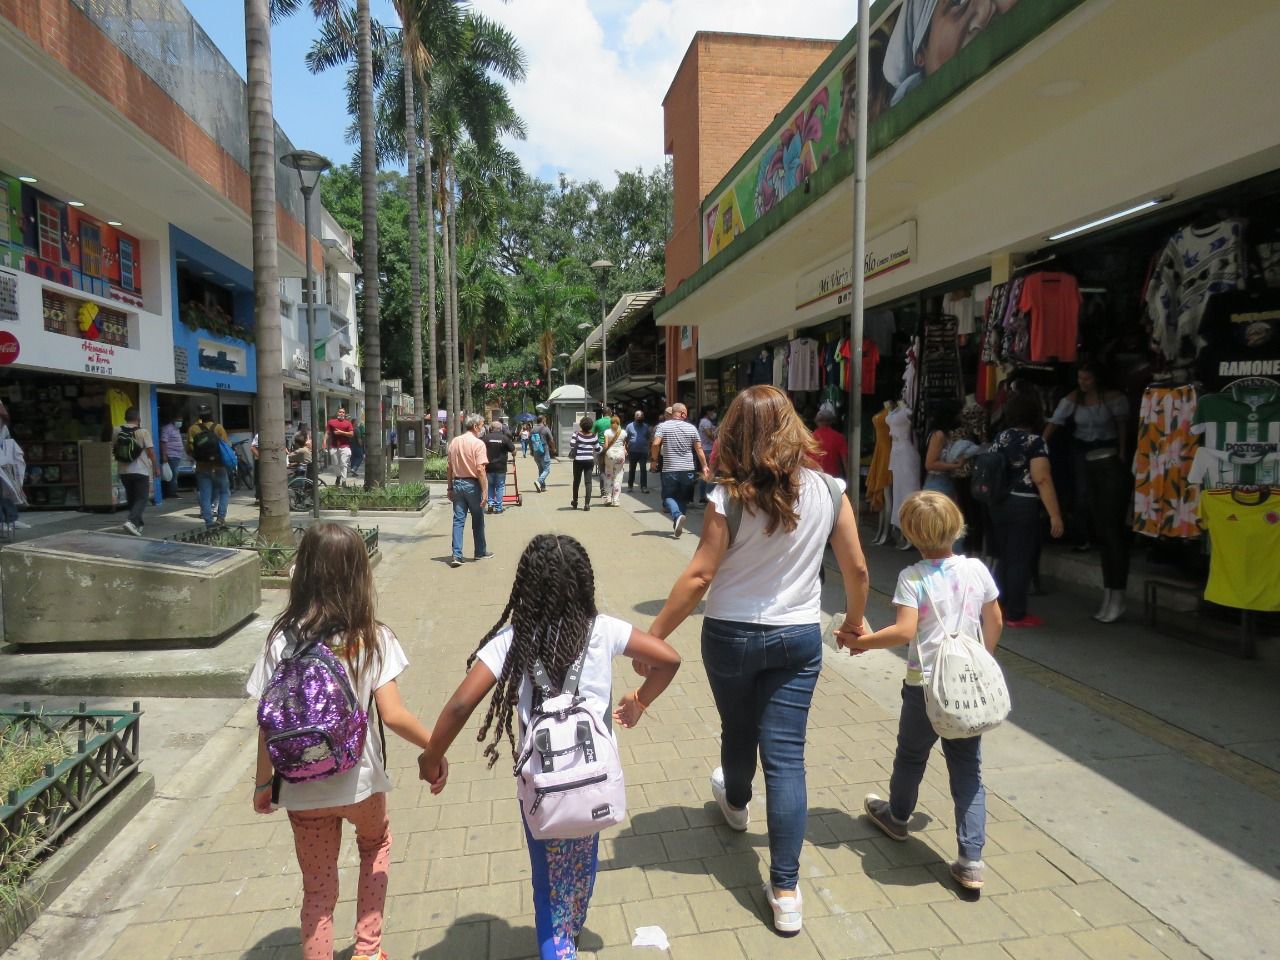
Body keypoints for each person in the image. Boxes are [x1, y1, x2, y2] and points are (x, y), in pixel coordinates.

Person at [648, 385, 870, 933]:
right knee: (787, 757)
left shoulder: (728, 497)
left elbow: (700, 575)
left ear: (735, 435)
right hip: (798, 638)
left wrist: (653, 637)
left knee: (738, 728)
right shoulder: (830, 490)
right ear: (792, 426)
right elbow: (858, 570)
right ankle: (787, 891)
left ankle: (738, 803)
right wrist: (853, 622)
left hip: (730, 634)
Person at [417, 534, 681, 960]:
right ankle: (570, 929)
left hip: (542, 789)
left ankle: (558, 945)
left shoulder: (512, 640)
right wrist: (639, 700)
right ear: (584, 585)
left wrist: (432, 756)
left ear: (526, 589)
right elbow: (669, 658)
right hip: (594, 783)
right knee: (580, 866)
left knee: (548, 882)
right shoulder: (604, 630)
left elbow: (463, 703)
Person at [247, 523, 447, 960]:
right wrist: (435, 747)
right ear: (360, 575)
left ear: (303, 573)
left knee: (318, 892)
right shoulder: (370, 637)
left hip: (300, 790)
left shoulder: (280, 641)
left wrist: (264, 786)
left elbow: (266, 723)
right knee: (375, 846)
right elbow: (393, 715)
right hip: (360, 783)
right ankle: (368, 950)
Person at [837, 491, 1002, 893]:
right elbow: (994, 619)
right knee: (968, 769)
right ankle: (971, 860)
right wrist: (979, 661)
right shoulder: (978, 570)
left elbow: (905, 631)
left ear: (909, 533)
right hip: (965, 690)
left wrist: (864, 642)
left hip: (923, 688)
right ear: (957, 525)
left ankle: (896, 817)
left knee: (912, 755)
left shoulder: (913, 577)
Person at [988, 393, 1064, 627]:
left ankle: (997, 606)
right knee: (1020, 559)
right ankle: (1016, 613)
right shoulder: (1035, 442)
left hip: (998, 504)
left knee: (1004, 556)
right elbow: (1041, 478)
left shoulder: (1001, 437)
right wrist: (1055, 514)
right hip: (1023, 504)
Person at [1044, 364, 1130, 548]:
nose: (1082, 383)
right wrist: (1039, 444)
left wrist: (1123, 452)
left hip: (1107, 448)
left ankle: (1109, 536)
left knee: (1108, 494)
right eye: (1079, 378)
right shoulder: (1073, 398)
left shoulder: (1112, 398)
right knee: (1082, 494)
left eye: (1086, 379)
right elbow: (1055, 421)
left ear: (1096, 379)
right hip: (1081, 448)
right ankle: (1083, 537)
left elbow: (1122, 425)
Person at [650, 403, 709, 537]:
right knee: (682, 498)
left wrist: (654, 461)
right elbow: (699, 449)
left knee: (668, 497)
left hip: (670, 469)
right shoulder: (691, 428)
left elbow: (655, 444)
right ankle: (678, 520)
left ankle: (677, 516)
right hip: (688, 468)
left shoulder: (663, 426)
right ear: (682, 414)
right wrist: (705, 466)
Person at [447, 414, 493, 568]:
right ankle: (480, 551)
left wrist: (449, 487)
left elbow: (449, 467)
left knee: (458, 520)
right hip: (472, 485)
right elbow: (480, 469)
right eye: (481, 425)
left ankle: (457, 555)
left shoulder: (454, 442)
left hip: (458, 483)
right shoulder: (478, 444)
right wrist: (485, 491)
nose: (482, 428)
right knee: (478, 518)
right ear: (475, 427)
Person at [113, 407, 160, 537]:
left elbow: (114, 448)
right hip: (141, 470)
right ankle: (131, 521)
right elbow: (151, 453)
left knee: (132, 498)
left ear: (125, 418)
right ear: (138, 419)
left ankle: (137, 526)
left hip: (123, 470)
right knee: (142, 498)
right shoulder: (143, 432)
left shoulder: (117, 430)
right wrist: (156, 467)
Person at [922, 400, 978, 503]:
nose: (960, 417)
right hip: (938, 482)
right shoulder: (939, 435)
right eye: (958, 414)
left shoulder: (940, 433)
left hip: (941, 481)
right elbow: (930, 464)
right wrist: (956, 465)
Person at [187, 406, 230, 530]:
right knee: (224, 491)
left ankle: (208, 522)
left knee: (205, 495)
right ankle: (221, 518)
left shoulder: (193, 429)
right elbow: (225, 446)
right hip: (219, 466)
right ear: (212, 415)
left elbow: (189, 450)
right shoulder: (218, 428)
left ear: (199, 416)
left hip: (202, 467)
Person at [484, 420, 516, 514]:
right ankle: (498, 508)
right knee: (500, 486)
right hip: (501, 467)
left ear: (491, 428)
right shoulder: (504, 438)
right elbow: (513, 451)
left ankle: (490, 503)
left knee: (490, 485)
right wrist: (513, 455)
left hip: (488, 467)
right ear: (500, 429)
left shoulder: (486, 438)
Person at [569, 415, 600, 511]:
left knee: (576, 481)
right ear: (591, 426)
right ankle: (587, 504)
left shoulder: (576, 434)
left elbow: (571, 444)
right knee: (588, 482)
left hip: (578, 460)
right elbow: (598, 449)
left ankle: (575, 501)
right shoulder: (594, 436)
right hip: (589, 460)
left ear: (581, 425)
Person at [811, 403, 848, 478]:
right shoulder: (839, 437)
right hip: (833, 478)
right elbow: (845, 462)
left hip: (815, 477)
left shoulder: (810, 437)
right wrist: (850, 480)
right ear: (831, 421)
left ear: (816, 421)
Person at [325, 407, 356, 486]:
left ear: (344, 414)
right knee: (335, 463)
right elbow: (327, 433)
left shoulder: (348, 423)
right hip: (334, 446)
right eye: (340, 412)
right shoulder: (331, 422)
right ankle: (338, 476)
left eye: (343, 412)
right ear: (337, 413)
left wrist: (341, 432)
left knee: (343, 463)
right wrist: (324, 442)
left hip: (345, 446)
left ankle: (344, 481)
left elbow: (351, 434)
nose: (341, 413)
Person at [601, 415, 627, 506]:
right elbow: (624, 444)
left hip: (610, 455)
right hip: (620, 455)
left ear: (610, 423)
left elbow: (606, 445)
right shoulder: (623, 432)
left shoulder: (607, 432)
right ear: (619, 423)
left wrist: (603, 451)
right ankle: (616, 500)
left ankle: (608, 497)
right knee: (618, 477)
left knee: (608, 475)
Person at [695, 404, 718, 504]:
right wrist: (716, 441)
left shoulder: (703, 421)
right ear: (708, 412)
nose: (714, 413)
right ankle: (708, 497)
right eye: (713, 411)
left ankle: (702, 497)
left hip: (705, 449)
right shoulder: (706, 422)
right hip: (708, 450)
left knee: (704, 474)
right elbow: (709, 434)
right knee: (710, 474)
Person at [624, 409, 652, 493]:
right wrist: (625, 449)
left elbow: (649, 438)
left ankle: (644, 487)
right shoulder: (629, 426)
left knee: (643, 469)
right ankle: (630, 486)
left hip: (643, 451)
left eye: (642, 415)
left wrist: (649, 449)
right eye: (638, 415)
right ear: (635, 417)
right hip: (633, 451)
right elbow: (626, 439)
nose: (640, 417)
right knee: (632, 469)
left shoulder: (646, 426)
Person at [159, 414, 185, 499]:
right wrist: (164, 455)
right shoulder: (167, 428)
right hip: (170, 455)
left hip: (176, 455)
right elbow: (163, 442)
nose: (180, 422)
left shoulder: (176, 429)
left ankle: (171, 492)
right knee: (171, 475)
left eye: (181, 420)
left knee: (173, 475)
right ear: (173, 419)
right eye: (178, 420)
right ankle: (171, 493)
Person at [529, 415, 557, 493]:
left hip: (535, 451)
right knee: (547, 469)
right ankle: (539, 481)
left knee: (540, 468)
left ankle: (542, 486)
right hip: (544, 451)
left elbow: (530, 441)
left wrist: (531, 451)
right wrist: (554, 449)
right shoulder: (545, 428)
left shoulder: (532, 430)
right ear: (543, 421)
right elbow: (551, 440)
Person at [593, 408, 612, 498]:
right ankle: (611, 490)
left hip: (601, 447)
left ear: (603, 414)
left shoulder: (598, 422)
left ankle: (603, 491)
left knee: (602, 470)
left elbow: (592, 434)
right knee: (612, 469)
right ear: (610, 413)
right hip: (612, 447)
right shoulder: (614, 422)